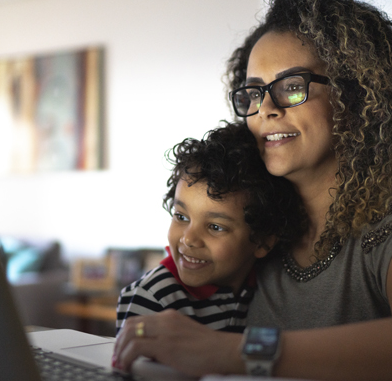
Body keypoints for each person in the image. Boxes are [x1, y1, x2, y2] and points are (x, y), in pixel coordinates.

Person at [113, 0, 392, 380]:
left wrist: (236, 352)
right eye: (253, 93)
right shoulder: (261, 220)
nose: (265, 109)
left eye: (292, 87)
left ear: (357, 97)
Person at [115, 121, 306, 335]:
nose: (189, 239)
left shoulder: (266, 287)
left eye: (215, 227)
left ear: (263, 241)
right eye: (181, 216)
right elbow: (133, 365)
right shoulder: (154, 297)